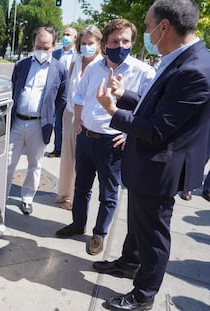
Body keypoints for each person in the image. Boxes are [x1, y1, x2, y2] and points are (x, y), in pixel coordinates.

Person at [94, 1, 210, 310]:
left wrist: (113, 111)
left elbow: (158, 129)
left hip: (161, 167)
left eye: (147, 26)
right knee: (138, 223)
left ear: (165, 27)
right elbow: (156, 105)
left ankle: (143, 295)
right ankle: (129, 262)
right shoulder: (179, 59)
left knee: (153, 234)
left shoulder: (195, 69)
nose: (145, 32)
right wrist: (125, 96)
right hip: (148, 164)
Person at [55, 19, 155, 257]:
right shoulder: (93, 68)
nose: (120, 45)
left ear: (132, 42)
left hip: (112, 143)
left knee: (108, 194)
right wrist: (79, 119)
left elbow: (149, 111)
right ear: (106, 43)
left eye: (125, 41)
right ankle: (78, 224)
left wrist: (130, 135)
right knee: (81, 187)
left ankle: (99, 234)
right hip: (86, 138)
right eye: (115, 41)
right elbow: (79, 97)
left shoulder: (143, 72)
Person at [6, 26, 68, 215]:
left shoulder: (59, 69)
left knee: (35, 163)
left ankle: (27, 198)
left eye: (46, 47)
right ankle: (1, 197)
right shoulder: (21, 65)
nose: (42, 51)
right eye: (38, 46)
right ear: (33, 44)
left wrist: (48, 115)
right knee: (8, 162)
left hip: (39, 125)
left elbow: (62, 98)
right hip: (17, 121)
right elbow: (13, 89)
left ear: (53, 46)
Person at [55, 25, 103, 210]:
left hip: (87, 118)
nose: (86, 46)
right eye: (83, 43)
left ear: (99, 43)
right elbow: (70, 88)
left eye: (90, 43)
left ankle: (76, 199)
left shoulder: (101, 65)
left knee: (81, 160)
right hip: (70, 113)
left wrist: (83, 117)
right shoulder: (76, 61)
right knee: (67, 154)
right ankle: (64, 192)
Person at [48, 27, 78, 158]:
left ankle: (73, 151)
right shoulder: (55, 54)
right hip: (58, 94)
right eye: (64, 34)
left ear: (75, 38)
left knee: (73, 124)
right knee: (58, 123)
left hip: (74, 95)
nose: (65, 37)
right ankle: (58, 148)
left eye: (69, 35)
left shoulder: (78, 55)